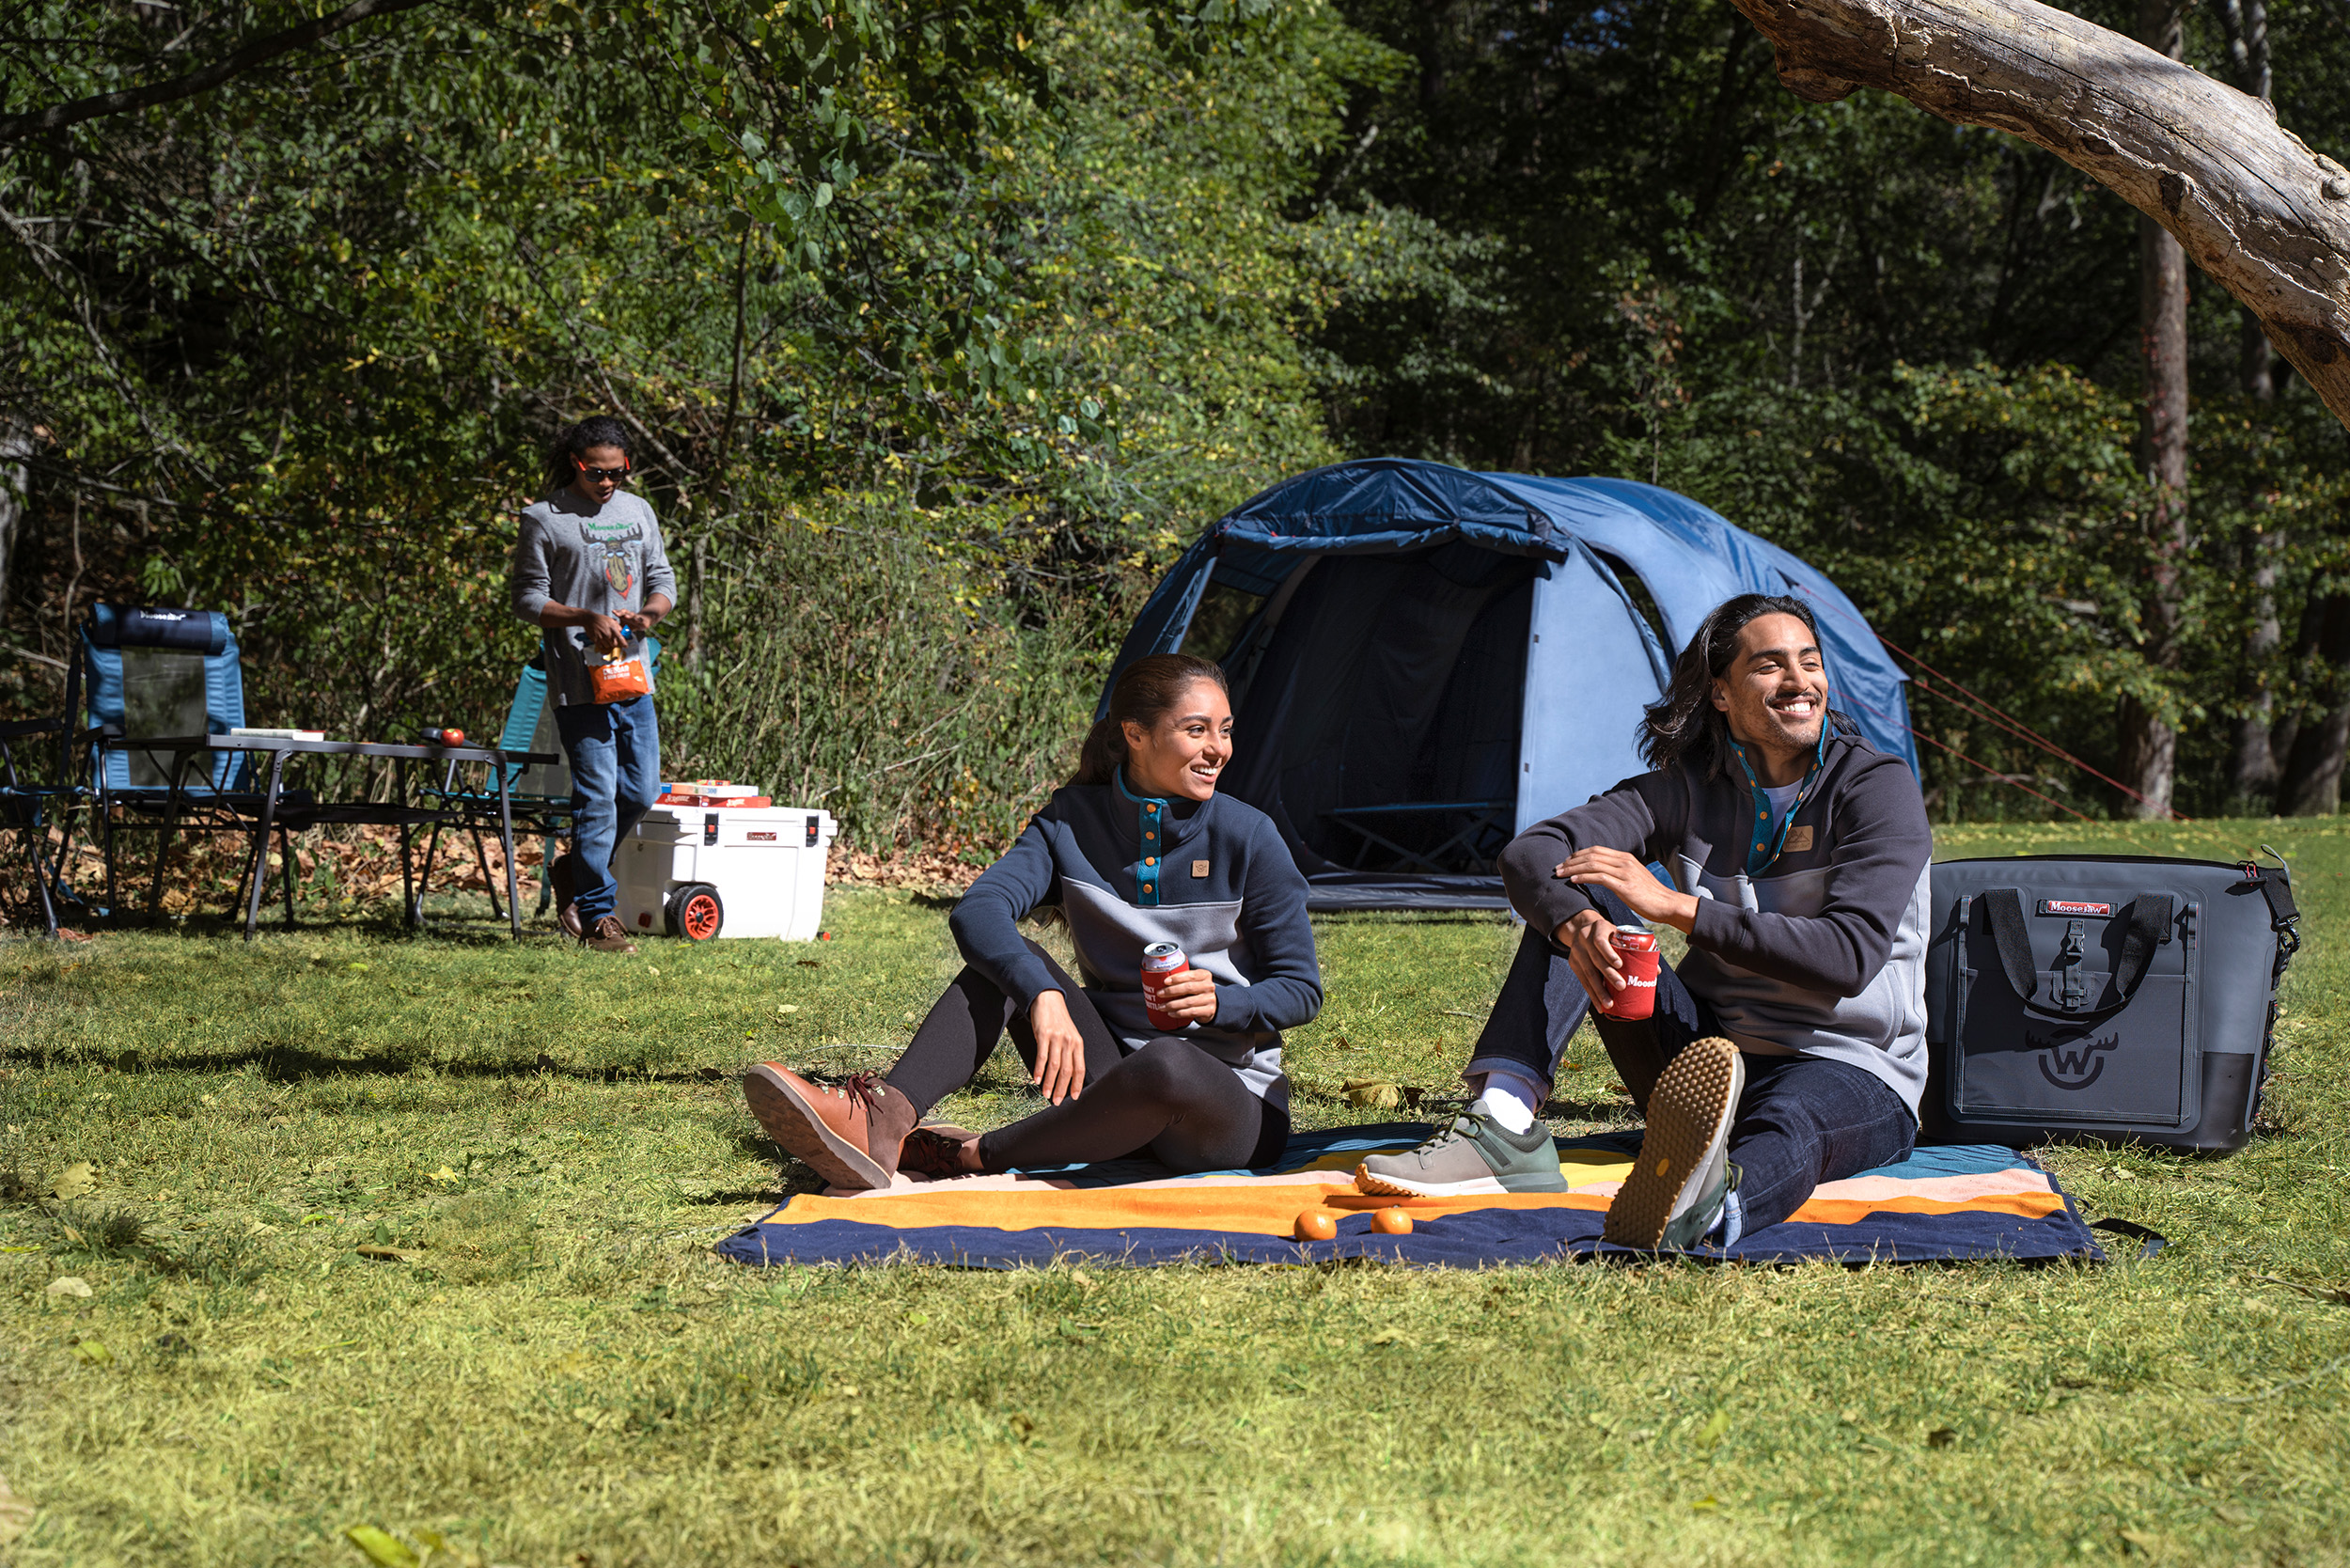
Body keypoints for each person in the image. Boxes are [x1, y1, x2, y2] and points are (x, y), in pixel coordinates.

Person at [1355, 592, 1932, 1249]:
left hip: (1849, 1064)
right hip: (1708, 1061)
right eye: (1770, 666)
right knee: (1581, 898)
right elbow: (1532, 853)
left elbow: (1847, 958)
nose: (1800, 682)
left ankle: (1706, 1208)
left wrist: (1678, 908)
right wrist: (1577, 927)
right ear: (1721, 692)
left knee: (1790, 1124)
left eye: (1810, 662)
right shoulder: (1690, 788)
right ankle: (1505, 1122)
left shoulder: (1875, 787)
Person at [743, 653, 1322, 1190]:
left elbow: (1300, 990)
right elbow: (980, 910)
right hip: (1108, 1079)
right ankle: (882, 1120)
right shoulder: (1068, 823)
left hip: (1230, 1110)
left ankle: (971, 1156)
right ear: (1135, 734)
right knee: (1006, 966)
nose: (1218, 748)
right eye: (1196, 730)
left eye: (1224, 729)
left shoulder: (1250, 838)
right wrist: (1041, 992)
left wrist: (1222, 1004)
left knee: (1168, 1062)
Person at [509, 416, 676, 955]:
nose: (607, 483)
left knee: (641, 789)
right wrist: (583, 615)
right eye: (594, 472)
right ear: (575, 464)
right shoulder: (543, 519)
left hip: (631, 674)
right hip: (577, 682)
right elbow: (528, 600)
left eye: (618, 472)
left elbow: (662, 581)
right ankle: (600, 915)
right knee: (598, 796)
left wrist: (649, 615)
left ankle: (574, 872)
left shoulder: (639, 511)